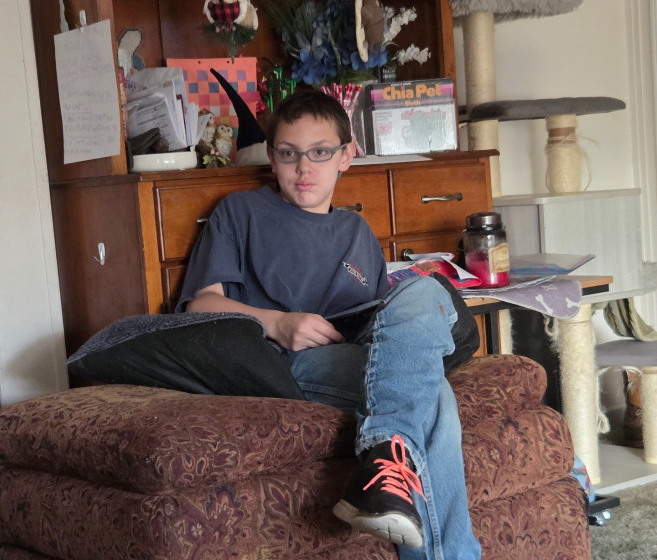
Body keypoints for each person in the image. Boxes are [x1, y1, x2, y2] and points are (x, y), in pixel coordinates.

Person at [176, 88, 481, 559]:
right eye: (289, 153)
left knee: (425, 291)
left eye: (319, 152)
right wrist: (277, 323)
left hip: (359, 350)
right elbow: (200, 306)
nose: (304, 168)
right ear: (272, 156)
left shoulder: (356, 232)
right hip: (286, 361)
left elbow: (380, 316)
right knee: (432, 394)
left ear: (346, 156)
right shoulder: (241, 213)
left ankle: (386, 459)